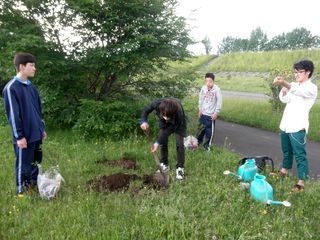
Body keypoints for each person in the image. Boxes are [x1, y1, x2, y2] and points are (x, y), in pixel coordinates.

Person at [2, 52, 47, 196]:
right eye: (31, 65)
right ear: (22, 67)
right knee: (24, 165)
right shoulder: (11, 88)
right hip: (24, 137)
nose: (34, 69)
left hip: (36, 134)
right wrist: (19, 136)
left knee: (36, 163)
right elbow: (13, 116)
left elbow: (37, 110)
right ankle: (21, 192)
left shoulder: (31, 88)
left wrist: (42, 129)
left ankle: (33, 186)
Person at [273, 59, 317, 192]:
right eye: (295, 71)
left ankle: (301, 181)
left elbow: (298, 91)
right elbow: (284, 99)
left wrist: (284, 83)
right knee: (286, 151)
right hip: (286, 124)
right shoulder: (293, 84)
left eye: (299, 71)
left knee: (300, 154)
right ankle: (284, 171)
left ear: (308, 72)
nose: (296, 74)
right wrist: (284, 89)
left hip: (298, 126)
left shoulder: (311, 88)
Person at [140, 98, 187, 180]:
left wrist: (157, 142)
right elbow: (145, 111)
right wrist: (143, 121)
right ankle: (164, 163)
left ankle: (180, 168)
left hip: (178, 124)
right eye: (164, 115)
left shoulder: (179, 113)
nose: (166, 118)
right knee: (163, 141)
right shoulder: (156, 104)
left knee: (179, 144)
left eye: (168, 117)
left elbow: (168, 131)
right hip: (163, 121)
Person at [197, 72, 222, 151]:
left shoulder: (217, 90)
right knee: (201, 129)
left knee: (209, 132)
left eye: (210, 81)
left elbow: (219, 101)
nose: (208, 83)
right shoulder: (203, 88)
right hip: (203, 113)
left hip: (211, 115)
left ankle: (206, 146)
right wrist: (200, 109)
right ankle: (197, 143)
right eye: (206, 81)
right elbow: (201, 99)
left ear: (213, 81)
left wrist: (216, 112)